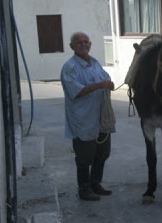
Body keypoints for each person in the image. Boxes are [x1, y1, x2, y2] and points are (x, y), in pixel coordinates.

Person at [61, 32, 115, 201]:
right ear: (72, 46)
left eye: (86, 42)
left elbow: (107, 79)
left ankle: (95, 184)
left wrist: (109, 84)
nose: (83, 45)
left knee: (103, 153)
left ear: (90, 44)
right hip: (83, 120)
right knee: (85, 158)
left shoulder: (95, 63)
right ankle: (83, 189)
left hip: (101, 118)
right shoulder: (70, 68)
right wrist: (99, 85)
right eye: (79, 43)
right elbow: (76, 91)